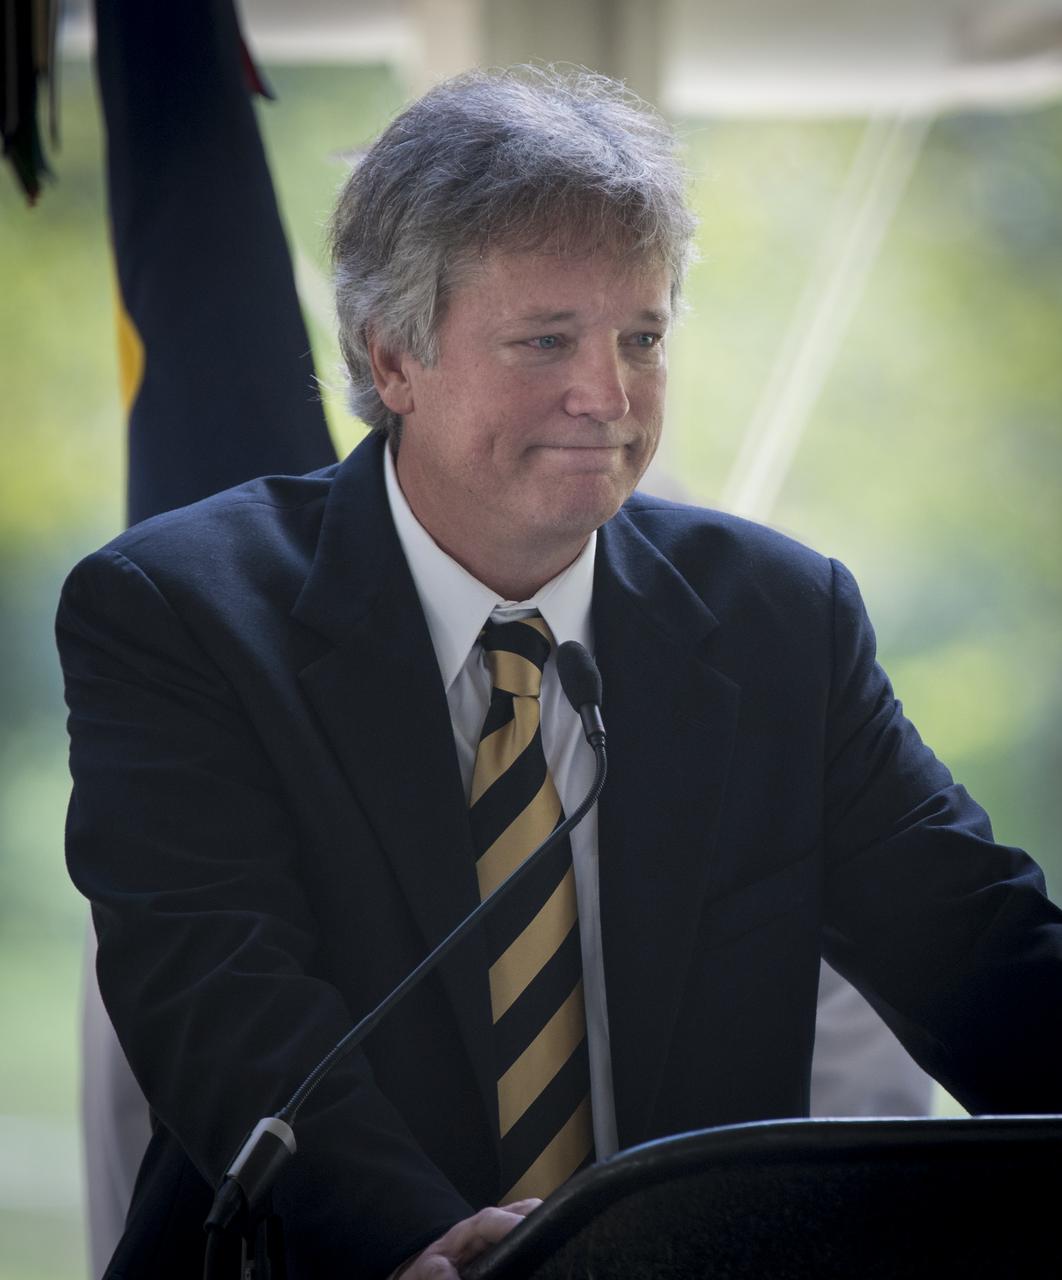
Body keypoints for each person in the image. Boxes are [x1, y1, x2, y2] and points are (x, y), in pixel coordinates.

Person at [59, 66, 1062, 1279]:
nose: (610, 394)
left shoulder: (782, 619)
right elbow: (219, 996)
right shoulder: (176, 611)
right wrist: (415, 1235)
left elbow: (977, 944)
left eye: (641, 337)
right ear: (394, 360)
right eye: (546, 341)